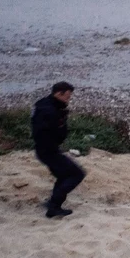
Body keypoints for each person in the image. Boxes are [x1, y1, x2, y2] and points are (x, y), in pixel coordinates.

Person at [31, 81, 86, 218]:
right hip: (48, 150)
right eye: (67, 97)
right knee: (76, 174)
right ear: (58, 93)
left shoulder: (45, 104)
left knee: (64, 175)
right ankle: (54, 207)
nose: (68, 100)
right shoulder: (50, 110)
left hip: (45, 149)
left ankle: (53, 203)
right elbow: (48, 131)